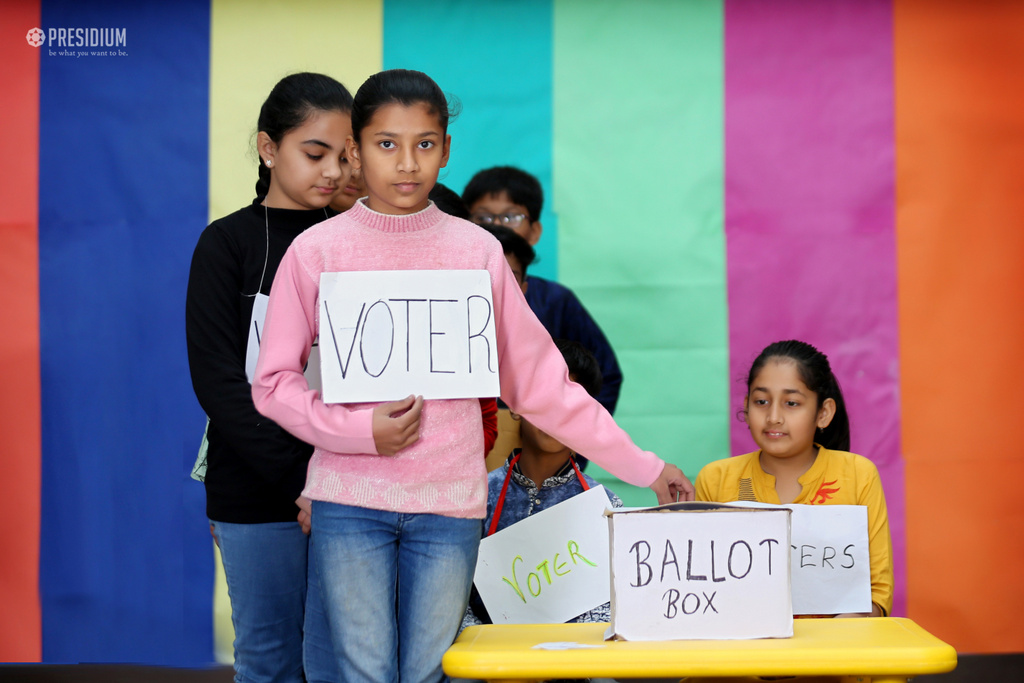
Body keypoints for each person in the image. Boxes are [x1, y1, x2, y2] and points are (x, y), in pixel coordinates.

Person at [251, 68, 693, 683]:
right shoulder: (317, 251)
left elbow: (542, 384)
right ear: (355, 150)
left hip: (451, 506)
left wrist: (647, 467)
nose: (407, 163)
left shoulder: (477, 251)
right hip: (349, 501)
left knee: (434, 672)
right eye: (386, 144)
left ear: (447, 149)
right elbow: (272, 383)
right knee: (364, 673)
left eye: (425, 144)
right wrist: (358, 432)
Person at [185, 72, 351, 683]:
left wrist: (332, 478)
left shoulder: (357, 241)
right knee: (271, 659)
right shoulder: (225, 244)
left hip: (355, 486)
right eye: (315, 153)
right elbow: (220, 382)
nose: (331, 171)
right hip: (257, 489)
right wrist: (301, 481)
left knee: (344, 663)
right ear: (267, 147)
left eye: (344, 155)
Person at [695, 340, 893, 618]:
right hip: (745, 656)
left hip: (835, 656)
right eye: (761, 401)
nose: (773, 417)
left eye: (791, 403)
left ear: (823, 413)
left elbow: (877, 593)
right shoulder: (715, 479)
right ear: (746, 407)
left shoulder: (858, 475)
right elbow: (702, 587)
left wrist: (839, 635)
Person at [462, 339, 622, 631]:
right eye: (548, 397)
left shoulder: (608, 509)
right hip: (489, 664)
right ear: (516, 405)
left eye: (573, 404)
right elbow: (452, 600)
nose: (558, 415)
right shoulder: (474, 496)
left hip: (576, 666)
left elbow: (615, 607)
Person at [463, 166, 624, 416]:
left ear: (535, 231)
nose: (497, 228)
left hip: (536, 449)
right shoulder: (449, 296)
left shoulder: (557, 302)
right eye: (483, 218)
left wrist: (574, 447)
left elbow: (605, 375)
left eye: (511, 217)